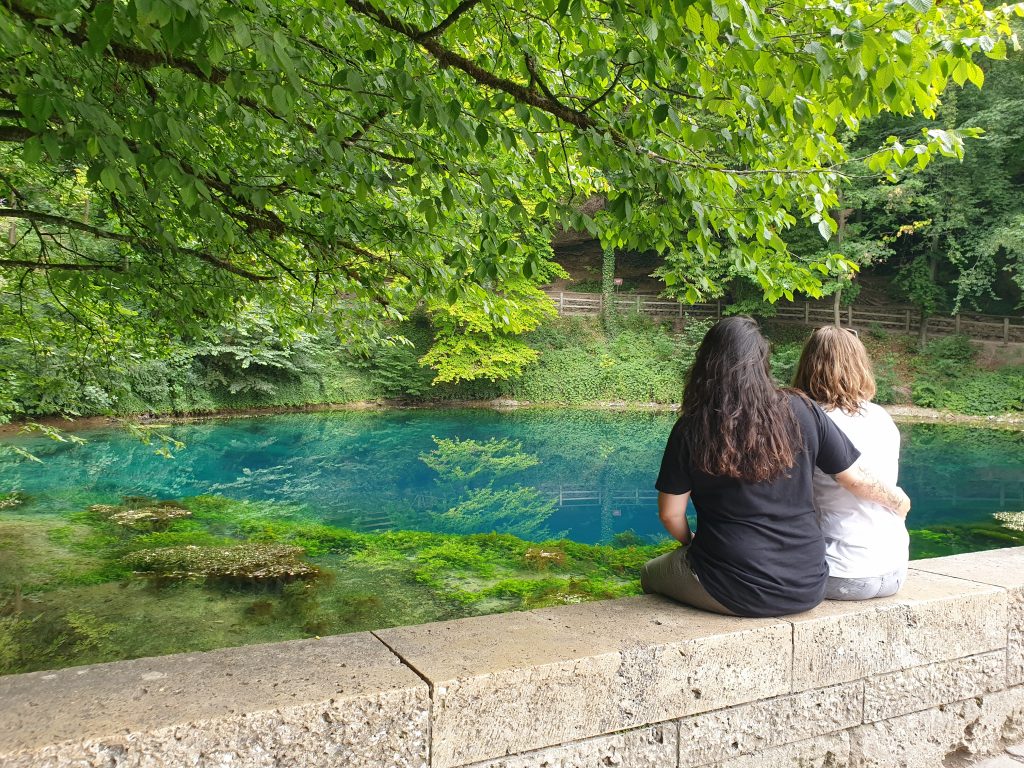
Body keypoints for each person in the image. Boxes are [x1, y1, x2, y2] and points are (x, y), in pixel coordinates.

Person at [641, 316, 910, 618]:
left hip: (732, 586)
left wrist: (689, 543)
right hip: (808, 585)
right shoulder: (804, 409)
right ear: (762, 361)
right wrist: (897, 499)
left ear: (706, 363)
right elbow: (855, 476)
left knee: (651, 573)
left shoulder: (692, 426)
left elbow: (670, 514)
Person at [793, 325, 909, 600]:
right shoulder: (882, 417)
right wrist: (898, 501)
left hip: (839, 571)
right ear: (860, 365)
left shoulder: (808, 421)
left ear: (808, 365)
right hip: (894, 570)